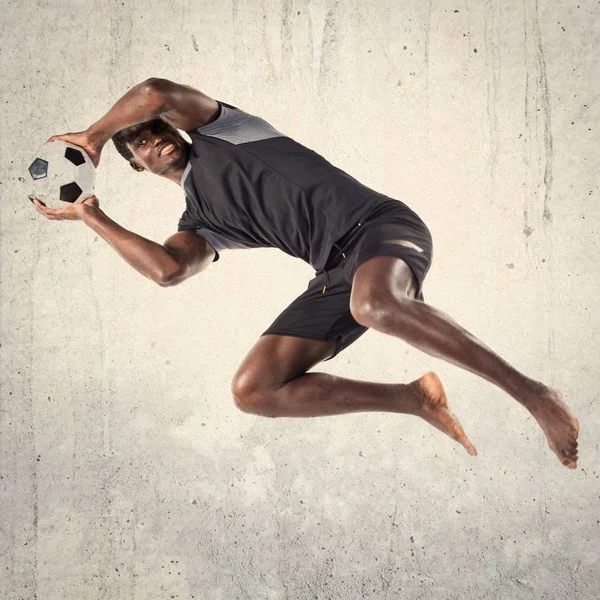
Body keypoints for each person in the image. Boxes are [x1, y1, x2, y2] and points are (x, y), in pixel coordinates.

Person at [31, 78, 579, 469]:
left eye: (155, 131)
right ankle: (414, 399)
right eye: (142, 144)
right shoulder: (199, 222)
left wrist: (98, 132)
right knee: (253, 390)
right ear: (138, 166)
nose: (156, 140)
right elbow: (168, 271)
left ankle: (534, 394)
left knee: (376, 306)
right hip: (334, 271)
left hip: (378, 226)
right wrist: (90, 214)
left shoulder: (229, 132)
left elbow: (154, 92)